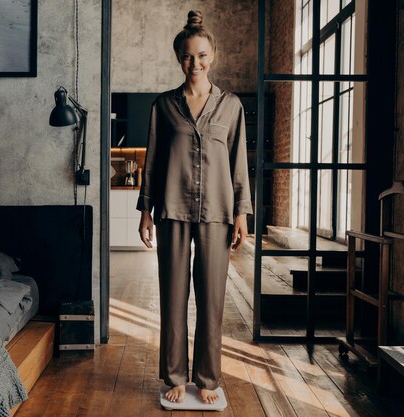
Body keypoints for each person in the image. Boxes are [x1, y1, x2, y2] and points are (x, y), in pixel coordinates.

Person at [136, 10, 252, 405]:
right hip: (171, 210)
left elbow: (239, 162)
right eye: (188, 56)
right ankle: (174, 376)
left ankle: (207, 379)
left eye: (202, 56)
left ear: (213, 56)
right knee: (172, 296)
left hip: (218, 214)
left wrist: (242, 212)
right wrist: (145, 211)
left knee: (212, 299)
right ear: (178, 58)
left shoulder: (231, 106)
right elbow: (151, 161)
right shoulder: (163, 106)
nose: (195, 63)